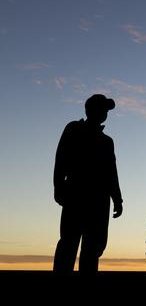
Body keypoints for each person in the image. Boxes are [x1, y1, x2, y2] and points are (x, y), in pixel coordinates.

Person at [53, 94, 123, 274]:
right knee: (68, 244)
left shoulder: (107, 142)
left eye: (106, 111)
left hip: (99, 201)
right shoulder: (74, 129)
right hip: (75, 195)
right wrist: (59, 187)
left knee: (93, 249)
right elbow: (61, 160)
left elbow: (111, 172)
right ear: (90, 110)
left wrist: (117, 199)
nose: (104, 113)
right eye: (102, 109)